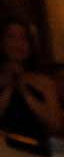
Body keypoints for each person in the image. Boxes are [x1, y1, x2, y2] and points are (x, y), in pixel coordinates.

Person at [0, 18, 59, 147]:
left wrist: (24, 91)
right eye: (11, 38)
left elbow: (55, 125)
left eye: (23, 38)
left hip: (35, 151)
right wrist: (9, 86)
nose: (18, 44)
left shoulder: (44, 82)